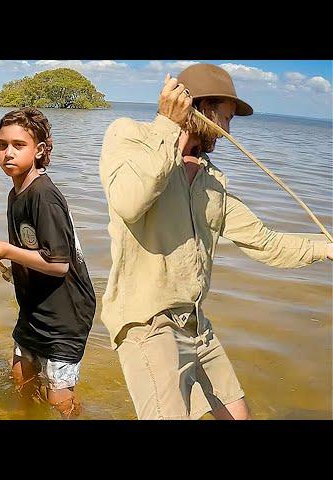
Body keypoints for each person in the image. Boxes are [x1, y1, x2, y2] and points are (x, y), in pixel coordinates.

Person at [99, 63, 333, 420]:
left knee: (240, 416)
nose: (225, 131)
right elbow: (129, 203)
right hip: (148, 324)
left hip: (197, 325)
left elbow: (265, 242)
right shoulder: (129, 134)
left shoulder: (213, 179)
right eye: (223, 118)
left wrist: (327, 247)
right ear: (198, 108)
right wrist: (168, 124)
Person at [0, 107, 96, 419]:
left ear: (40, 150)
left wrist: (6, 250)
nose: (8, 153)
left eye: (19, 145)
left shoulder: (44, 195)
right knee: (21, 376)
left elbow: (58, 264)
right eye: (2, 145)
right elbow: (29, 251)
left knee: (59, 399)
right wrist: (5, 258)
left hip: (65, 313)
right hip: (35, 307)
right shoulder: (16, 192)